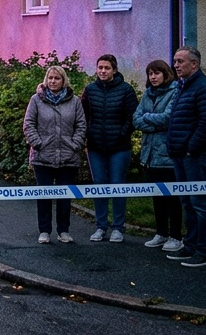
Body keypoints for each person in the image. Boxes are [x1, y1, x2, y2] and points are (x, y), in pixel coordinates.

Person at [165, 46, 206, 268]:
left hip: (196, 156)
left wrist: (190, 149)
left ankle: (204, 252)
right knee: (187, 202)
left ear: (194, 64)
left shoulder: (204, 88)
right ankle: (190, 246)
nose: (176, 65)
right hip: (182, 155)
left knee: (200, 204)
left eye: (180, 61)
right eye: (175, 61)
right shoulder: (184, 86)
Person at [23, 66, 86, 244]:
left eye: (57, 78)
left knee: (65, 197)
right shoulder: (36, 100)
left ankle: (63, 230)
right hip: (43, 157)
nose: (53, 81)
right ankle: (44, 231)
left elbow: (81, 125)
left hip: (68, 157)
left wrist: (75, 145)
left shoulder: (75, 101)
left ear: (63, 80)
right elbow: (28, 124)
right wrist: (38, 144)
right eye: (50, 78)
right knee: (44, 196)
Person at [81, 55, 138, 242]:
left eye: (107, 68)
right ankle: (101, 226)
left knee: (117, 185)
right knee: (99, 186)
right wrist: (88, 135)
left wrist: (121, 134)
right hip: (96, 147)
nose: (103, 71)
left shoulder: (126, 90)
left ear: (114, 70)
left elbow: (132, 117)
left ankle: (118, 228)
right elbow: (82, 116)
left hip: (119, 147)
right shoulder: (90, 90)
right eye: (100, 67)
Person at [133, 59, 182, 251]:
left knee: (172, 199)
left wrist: (147, 118)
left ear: (165, 74)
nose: (153, 77)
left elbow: (169, 118)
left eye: (157, 73)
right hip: (150, 156)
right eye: (150, 74)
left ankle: (176, 236)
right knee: (158, 198)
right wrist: (152, 122)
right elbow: (136, 120)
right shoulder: (148, 93)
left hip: (167, 155)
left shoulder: (175, 91)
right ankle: (161, 233)